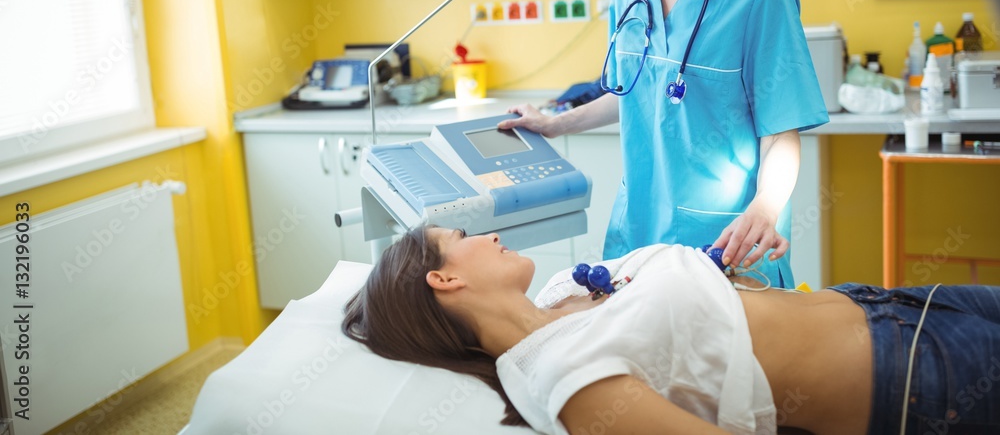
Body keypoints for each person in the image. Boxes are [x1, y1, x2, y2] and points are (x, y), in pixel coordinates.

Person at [498, 0, 829, 288]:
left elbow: (781, 132)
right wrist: (555, 124)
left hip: (727, 240)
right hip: (639, 233)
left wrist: (766, 207)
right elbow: (635, 92)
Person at [343, 225, 1000, 435]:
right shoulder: (564, 382)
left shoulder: (564, 293)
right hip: (913, 374)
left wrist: (727, 276)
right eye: (462, 238)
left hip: (897, 303)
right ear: (445, 280)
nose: (487, 234)